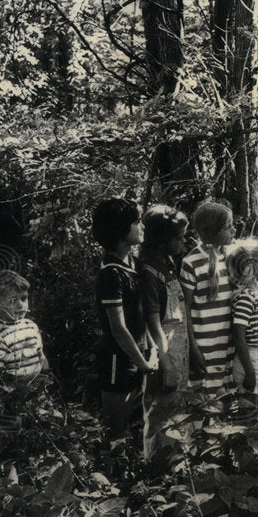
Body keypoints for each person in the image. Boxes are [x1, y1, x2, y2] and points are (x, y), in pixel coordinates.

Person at [92, 198, 156, 443]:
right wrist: (142, 363)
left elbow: (140, 315)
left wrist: (150, 348)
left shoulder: (134, 265)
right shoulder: (110, 273)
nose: (142, 226)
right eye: (136, 222)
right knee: (116, 431)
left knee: (137, 426)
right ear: (120, 229)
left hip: (140, 356)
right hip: (119, 360)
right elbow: (118, 328)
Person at [139, 204, 191, 461]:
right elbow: (152, 323)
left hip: (179, 353)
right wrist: (166, 362)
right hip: (164, 356)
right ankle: (156, 474)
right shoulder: (148, 272)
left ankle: (178, 469)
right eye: (179, 238)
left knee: (177, 415)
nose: (184, 242)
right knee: (160, 417)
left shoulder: (168, 264)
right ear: (162, 241)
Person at [180, 201, 236, 407]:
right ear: (215, 231)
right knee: (203, 405)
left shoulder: (231, 258)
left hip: (227, 348)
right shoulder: (191, 262)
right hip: (204, 347)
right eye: (228, 226)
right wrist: (193, 349)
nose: (233, 230)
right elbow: (184, 310)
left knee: (224, 403)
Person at [229, 241, 258, 425]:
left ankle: (247, 448)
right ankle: (241, 450)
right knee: (247, 414)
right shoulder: (245, 297)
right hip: (251, 359)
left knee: (254, 411)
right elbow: (239, 335)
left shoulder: (257, 291)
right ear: (250, 265)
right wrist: (249, 372)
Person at [0, 270, 49, 403]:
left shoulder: (31, 326)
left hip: (37, 387)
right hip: (14, 394)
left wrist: (45, 374)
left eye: (23, 298)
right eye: (12, 300)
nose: (20, 305)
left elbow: (40, 355)